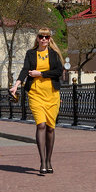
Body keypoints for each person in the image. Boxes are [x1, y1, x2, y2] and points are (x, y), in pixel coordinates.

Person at [9, 28, 64, 176]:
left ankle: (49, 160)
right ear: (37, 38)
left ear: (49, 39)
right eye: (41, 37)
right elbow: (25, 69)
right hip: (35, 93)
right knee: (41, 125)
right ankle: (42, 161)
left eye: (47, 37)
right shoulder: (31, 53)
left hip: (52, 94)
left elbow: (59, 71)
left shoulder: (54, 54)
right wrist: (16, 84)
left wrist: (41, 73)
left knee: (50, 128)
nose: (44, 39)